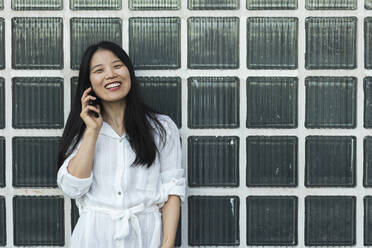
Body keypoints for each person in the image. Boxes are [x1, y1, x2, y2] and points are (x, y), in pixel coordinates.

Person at [56, 41, 185, 247]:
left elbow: (173, 189)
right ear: (88, 83)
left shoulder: (162, 128)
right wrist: (92, 131)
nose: (110, 75)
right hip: (94, 236)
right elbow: (73, 189)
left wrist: (167, 243)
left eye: (117, 66)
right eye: (99, 70)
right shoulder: (81, 131)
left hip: (146, 236)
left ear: (129, 72)